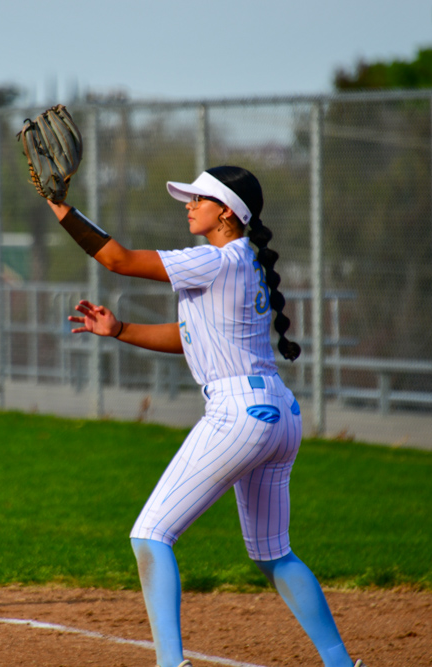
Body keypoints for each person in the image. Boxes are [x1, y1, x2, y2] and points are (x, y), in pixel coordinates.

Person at [45, 166, 364, 667]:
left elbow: (117, 259)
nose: (189, 205)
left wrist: (62, 207)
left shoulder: (214, 260)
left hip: (239, 414)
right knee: (273, 554)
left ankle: (171, 664)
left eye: (199, 199)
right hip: (280, 412)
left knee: (151, 535)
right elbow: (190, 336)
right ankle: (341, 663)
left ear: (227, 213)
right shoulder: (248, 261)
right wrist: (121, 328)